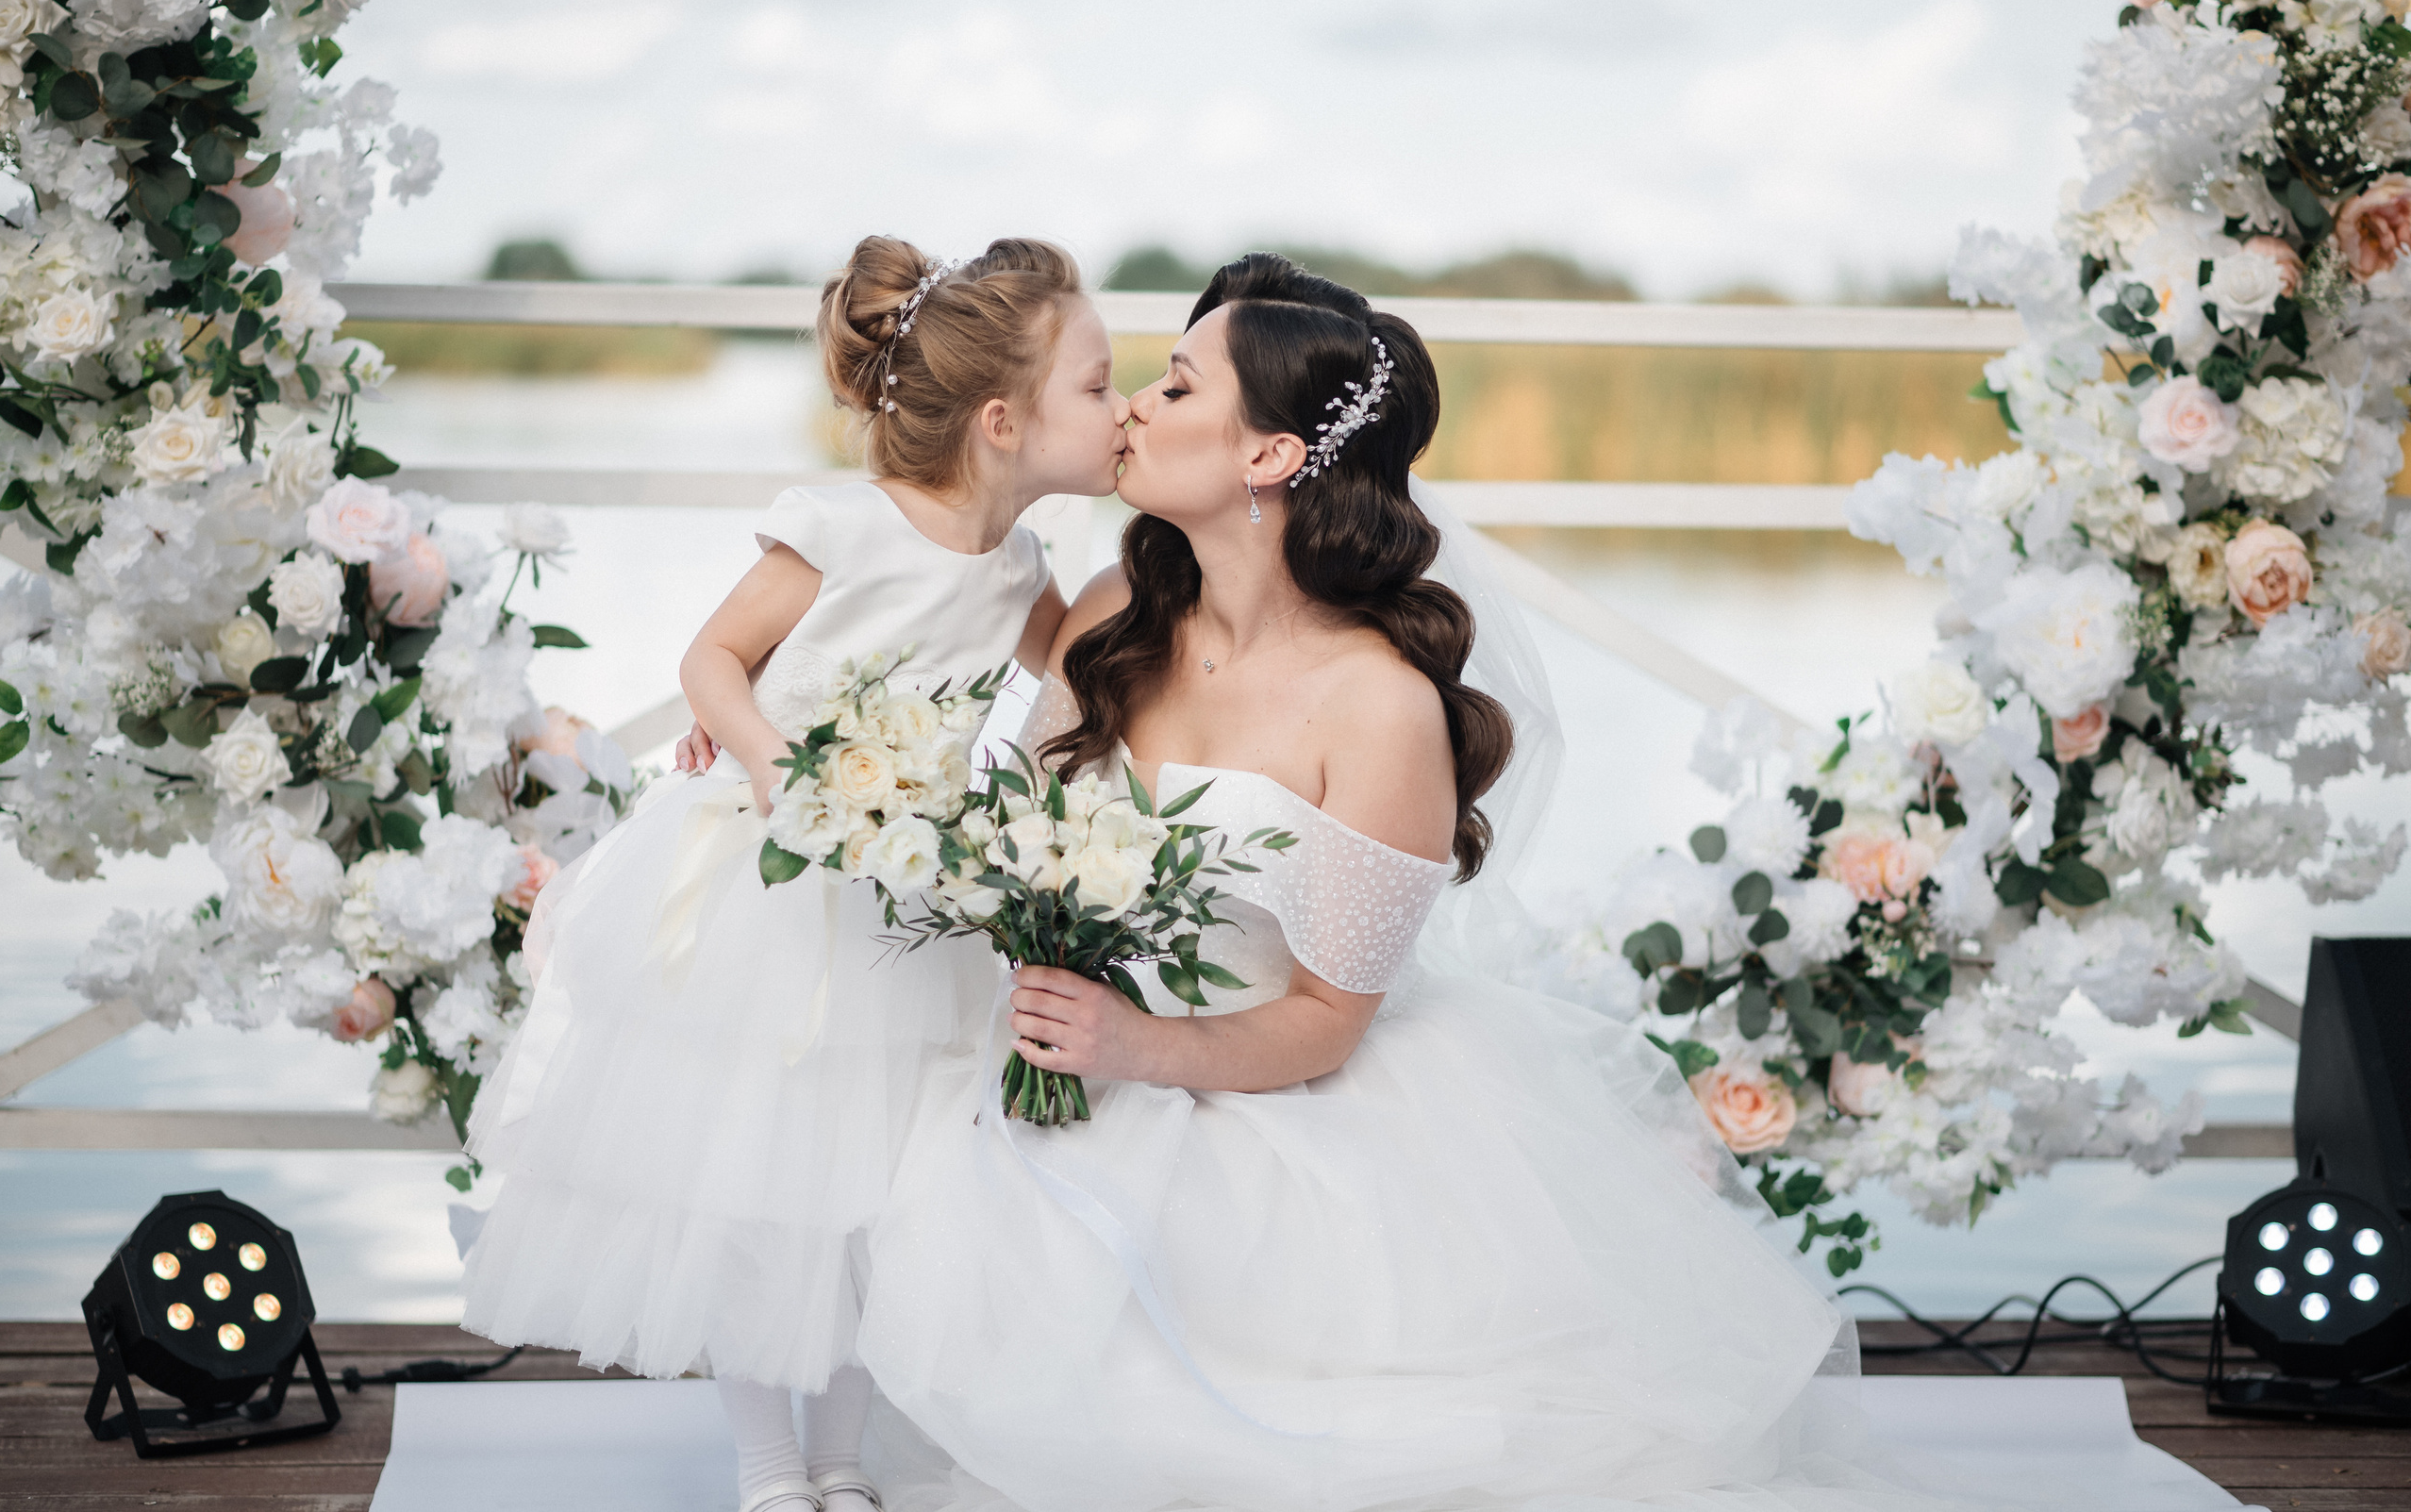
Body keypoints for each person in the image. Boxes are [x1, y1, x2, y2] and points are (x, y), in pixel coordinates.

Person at [846, 255, 1960, 1512]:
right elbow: (965, 724)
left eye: (1176, 385)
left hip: (1276, 1098)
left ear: (1271, 455)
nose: (1135, 407)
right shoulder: (1111, 612)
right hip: (1067, 1059)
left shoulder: (1381, 709)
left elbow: (1329, 1017)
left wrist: (1141, 1045)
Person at [457, 236, 1128, 1512]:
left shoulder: (1020, 568)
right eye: (1100, 386)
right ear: (1003, 422)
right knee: (751, 1189)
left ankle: (841, 1460)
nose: (1123, 406)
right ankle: (770, 1464)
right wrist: (770, 757)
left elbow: (1079, 664)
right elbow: (711, 658)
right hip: (764, 893)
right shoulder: (847, 528)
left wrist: (1171, 562)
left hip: (899, 910)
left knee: (874, 1192)